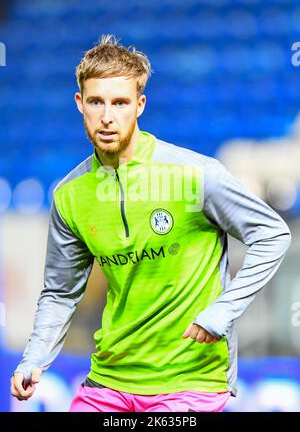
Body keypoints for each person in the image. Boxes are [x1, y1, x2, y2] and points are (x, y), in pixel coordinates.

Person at [11, 35, 291, 412]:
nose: (107, 116)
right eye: (96, 102)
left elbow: (272, 234)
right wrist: (34, 358)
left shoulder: (195, 175)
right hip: (109, 380)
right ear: (80, 104)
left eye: (120, 102)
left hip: (191, 381)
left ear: (140, 105)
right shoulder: (69, 195)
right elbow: (60, 293)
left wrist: (224, 310)